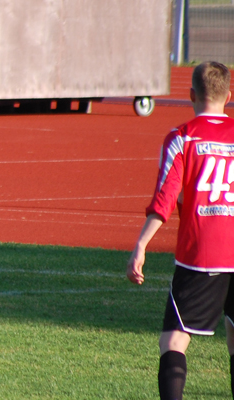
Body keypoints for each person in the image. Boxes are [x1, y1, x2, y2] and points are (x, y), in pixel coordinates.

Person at [127, 61, 234, 399]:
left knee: (173, 340)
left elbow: (164, 199)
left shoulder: (182, 138)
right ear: (228, 96)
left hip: (204, 254)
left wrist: (141, 245)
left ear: (191, 95)